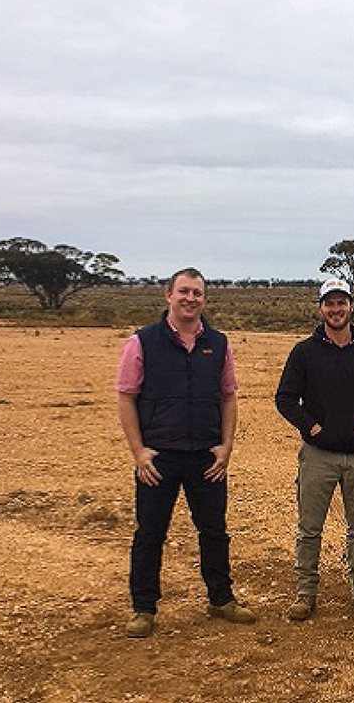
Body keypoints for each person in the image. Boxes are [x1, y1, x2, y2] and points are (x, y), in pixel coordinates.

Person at [116, 267, 256, 638]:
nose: (190, 299)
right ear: (169, 295)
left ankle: (221, 600)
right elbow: (126, 397)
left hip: (206, 457)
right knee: (150, 533)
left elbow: (228, 396)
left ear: (204, 299)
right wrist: (139, 452)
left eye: (197, 293)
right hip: (158, 458)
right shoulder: (142, 342)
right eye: (184, 292)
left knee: (214, 531)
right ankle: (143, 609)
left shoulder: (219, 344)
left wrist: (226, 448)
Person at [275, 277, 354, 621]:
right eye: (329, 303)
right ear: (321, 309)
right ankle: (306, 593)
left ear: (351, 306)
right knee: (309, 527)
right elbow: (285, 399)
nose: (335, 309)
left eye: (341, 302)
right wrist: (312, 426)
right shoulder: (304, 352)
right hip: (318, 457)